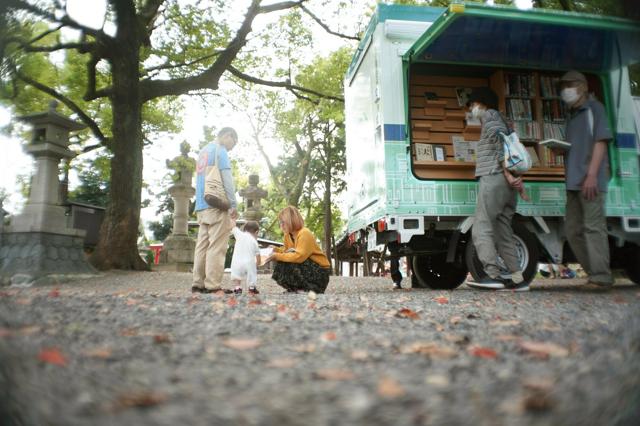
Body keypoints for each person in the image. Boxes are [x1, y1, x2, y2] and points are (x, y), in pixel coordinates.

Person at [465, 87, 528, 292]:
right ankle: (518, 278)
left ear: (482, 103)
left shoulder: (490, 116)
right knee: (503, 230)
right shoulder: (503, 119)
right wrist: (514, 177)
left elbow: (499, 142)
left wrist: (507, 172)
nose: (472, 109)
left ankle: (491, 275)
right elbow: (511, 146)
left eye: (473, 104)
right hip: (507, 183)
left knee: (482, 226)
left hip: (495, 177)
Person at [558, 70, 614, 288]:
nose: (565, 90)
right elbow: (576, 147)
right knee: (572, 231)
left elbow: (601, 142)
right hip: (573, 182)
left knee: (593, 227)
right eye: (563, 86)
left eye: (569, 85)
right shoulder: (572, 116)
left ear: (581, 86)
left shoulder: (595, 109)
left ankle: (601, 276)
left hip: (591, 181)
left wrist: (592, 175)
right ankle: (595, 274)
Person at [192, 127, 239, 294]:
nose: (232, 147)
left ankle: (198, 283)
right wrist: (233, 204)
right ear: (228, 136)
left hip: (201, 203)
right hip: (216, 204)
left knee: (202, 245)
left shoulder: (203, 151)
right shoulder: (221, 150)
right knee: (217, 245)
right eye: (233, 143)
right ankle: (213, 285)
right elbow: (227, 179)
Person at [265, 206, 331, 293]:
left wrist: (277, 256)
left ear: (290, 221)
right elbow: (287, 251)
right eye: (280, 223)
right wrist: (276, 250)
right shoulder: (288, 235)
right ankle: (296, 288)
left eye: (283, 222)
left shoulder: (304, 233)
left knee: (286, 259)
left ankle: (310, 288)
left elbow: (299, 256)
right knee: (284, 259)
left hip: (320, 273)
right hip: (307, 267)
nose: (281, 225)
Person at [229, 219, 261, 295]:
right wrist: (257, 263)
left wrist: (232, 218)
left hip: (237, 262)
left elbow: (233, 226)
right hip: (249, 262)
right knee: (252, 274)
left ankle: (237, 288)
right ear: (256, 232)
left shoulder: (239, 234)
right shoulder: (254, 241)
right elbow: (258, 255)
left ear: (245, 230)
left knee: (237, 276)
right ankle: (251, 288)